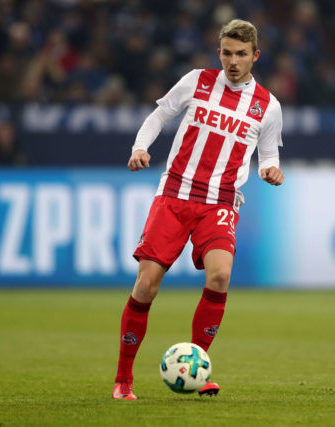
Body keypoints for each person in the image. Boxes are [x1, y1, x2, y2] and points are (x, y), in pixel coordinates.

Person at [113, 19, 284, 400]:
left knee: (220, 277)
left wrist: (271, 169)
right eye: (227, 52)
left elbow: (268, 154)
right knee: (146, 284)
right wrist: (139, 147)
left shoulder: (268, 106)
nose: (233, 61)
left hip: (220, 201)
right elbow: (159, 115)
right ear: (218, 52)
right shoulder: (196, 81)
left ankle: (197, 367)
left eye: (241, 54)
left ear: (255, 56)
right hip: (174, 193)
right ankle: (123, 378)